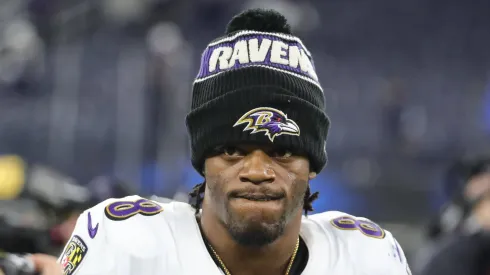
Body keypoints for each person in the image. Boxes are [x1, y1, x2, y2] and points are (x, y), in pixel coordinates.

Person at [56, 9, 411, 275]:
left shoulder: (367, 260)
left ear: (313, 165)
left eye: (282, 151)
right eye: (232, 150)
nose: (257, 171)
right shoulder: (126, 246)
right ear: (203, 160)